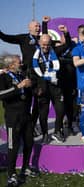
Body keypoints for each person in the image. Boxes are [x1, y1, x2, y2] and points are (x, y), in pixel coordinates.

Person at [0, 55, 37, 186]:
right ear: (11, 65)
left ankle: (25, 168)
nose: (21, 64)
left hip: (26, 115)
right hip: (12, 117)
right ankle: (11, 174)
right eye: (18, 62)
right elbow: (1, 94)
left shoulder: (21, 75)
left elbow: (26, 92)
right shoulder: (3, 77)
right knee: (13, 147)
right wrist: (18, 87)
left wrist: (31, 87)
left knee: (29, 142)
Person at [32, 27, 71, 143]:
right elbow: (31, 73)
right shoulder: (34, 55)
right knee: (43, 114)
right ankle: (45, 134)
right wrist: (36, 88)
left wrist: (65, 32)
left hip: (56, 87)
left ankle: (57, 131)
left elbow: (67, 44)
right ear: (39, 43)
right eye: (43, 44)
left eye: (48, 44)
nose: (45, 47)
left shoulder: (55, 51)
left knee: (60, 110)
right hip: (42, 89)